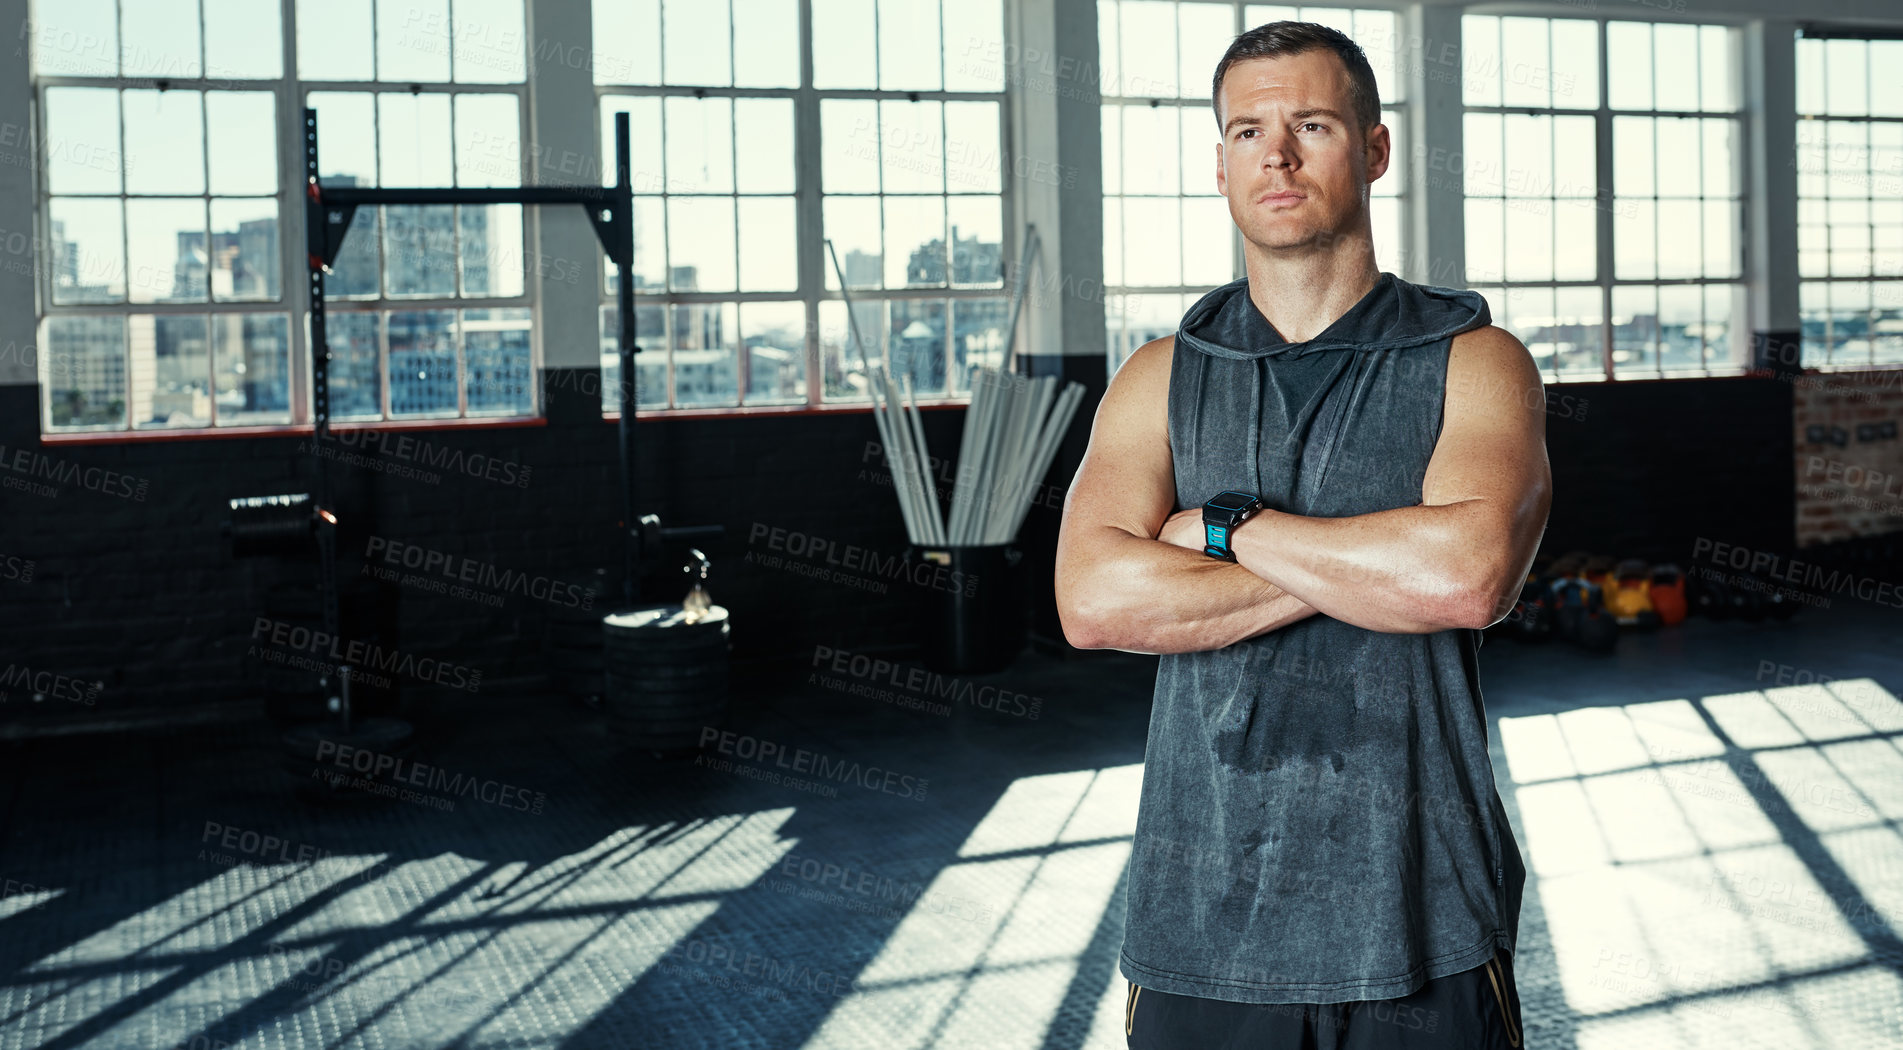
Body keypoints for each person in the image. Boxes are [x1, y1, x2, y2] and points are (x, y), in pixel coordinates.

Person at [1055, 20, 1552, 1050]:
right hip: (1202, 930)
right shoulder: (1159, 375)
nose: (1274, 155)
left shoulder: (1473, 358)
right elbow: (1094, 601)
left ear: (1372, 149)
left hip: (1424, 921)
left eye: (1310, 124)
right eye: (1246, 132)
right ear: (1221, 163)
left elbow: (1464, 580)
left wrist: (1230, 532)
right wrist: (1373, 566)